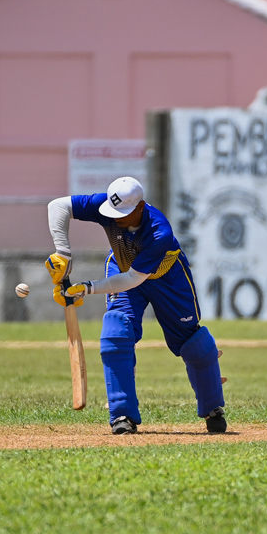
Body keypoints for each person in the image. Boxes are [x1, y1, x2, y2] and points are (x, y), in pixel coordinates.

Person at [45, 176, 226, 435]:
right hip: (123, 265)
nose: (115, 219)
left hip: (166, 276)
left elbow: (132, 280)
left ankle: (213, 407)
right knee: (116, 332)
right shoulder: (106, 206)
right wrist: (63, 253)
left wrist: (88, 288)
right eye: (112, 212)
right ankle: (122, 415)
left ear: (140, 207)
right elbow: (58, 206)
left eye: (122, 214)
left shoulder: (159, 232)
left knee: (192, 342)